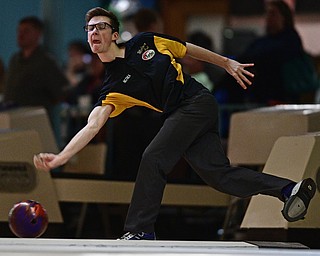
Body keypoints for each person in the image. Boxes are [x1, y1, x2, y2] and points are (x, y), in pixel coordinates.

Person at [34, 7, 316, 240]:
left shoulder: (145, 41)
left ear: (115, 34)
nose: (94, 32)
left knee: (154, 156)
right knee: (219, 176)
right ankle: (288, 189)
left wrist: (226, 63)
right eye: (90, 29)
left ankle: (139, 231)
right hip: (180, 116)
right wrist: (61, 157)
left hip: (195, 102)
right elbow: (92, 126)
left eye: (101, 27)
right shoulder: (112, 88)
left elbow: (187, 49)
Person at [217, 0, 307, 105]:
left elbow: (268, 57)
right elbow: (248, 55)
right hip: (259, 90)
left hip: (281, 91)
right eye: (267, 14)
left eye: (273, 14)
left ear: (284, 17)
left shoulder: (290, 39)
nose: (268, 18)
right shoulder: (263, 40)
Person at [4, 16, 68, 147]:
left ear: (37, 34)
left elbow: (61, 92)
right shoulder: (15, 60)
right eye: (19, 31)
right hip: (11, 122)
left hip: (34, 124)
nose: (20, 35)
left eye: (26, 31)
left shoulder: (45, 62)